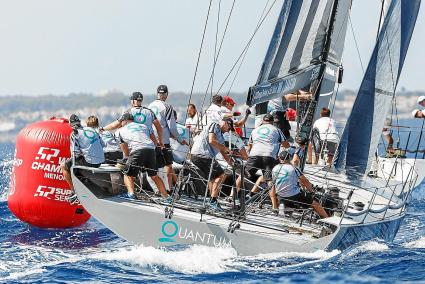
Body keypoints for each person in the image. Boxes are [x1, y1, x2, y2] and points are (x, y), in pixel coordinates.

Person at [117, 112, 170, 200]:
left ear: (125, 121)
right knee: (154, 176)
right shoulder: (144, 126)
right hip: (151, 150)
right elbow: (154, 141)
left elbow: (124, 149)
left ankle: (131, 194)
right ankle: (166, 197)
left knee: (127, 174)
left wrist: (127, 159)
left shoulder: (120, 131)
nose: (121, 124)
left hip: (137, 150)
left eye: (121, 122)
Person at [236, 114, 290, 197]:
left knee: (242, 176)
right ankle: (274, 207)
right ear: (272, 122)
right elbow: (286, 145)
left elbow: (249, 147)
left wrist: (248, 158)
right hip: (269, 156)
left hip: (254, 155)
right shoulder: (277, 129)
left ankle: (232, 196)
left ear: (262, 121)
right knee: (269, 180)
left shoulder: (255, 130)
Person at [148, 85, 188, 192]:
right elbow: (172, 128)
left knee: (155, 167)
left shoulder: (150, 106)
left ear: (157, 94)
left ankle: (158, 190)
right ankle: (169, 189)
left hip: (151, 141)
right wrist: (180, 140)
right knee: (168, 166)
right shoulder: (167, 107)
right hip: (164, 142)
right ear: (166, 94)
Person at [269, 150, 328, 218]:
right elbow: (305, 181)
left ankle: (277, 206)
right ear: (289, 158)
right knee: (315, 204)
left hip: (280, 195)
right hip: (293, 195)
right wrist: (311, 192)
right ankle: (326, 218)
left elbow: (274, 182)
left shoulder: (275, 168)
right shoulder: (294, 168)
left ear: (279, 158)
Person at [61, 114, 105, 204]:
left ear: (70, 124)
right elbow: (103, 144)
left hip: (90, 162)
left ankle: (74, 191)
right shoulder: (91, 129)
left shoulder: (74, 133)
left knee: (64, 166)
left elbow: (75, 153)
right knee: (78, 161)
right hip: (100, 161)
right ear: (80, 122)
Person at [190, 119, 233, 211]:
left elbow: (223, 152)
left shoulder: (221, 137)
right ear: (225, 123)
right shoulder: (215, 125)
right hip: (202, 155)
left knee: (213, 177)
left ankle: (212, 200)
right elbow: (211, 140)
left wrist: (232, 163)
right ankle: (213, 201)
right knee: (221, 174)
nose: (228, 131)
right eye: (229, 128)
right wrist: (225, 148)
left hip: (204, 156)